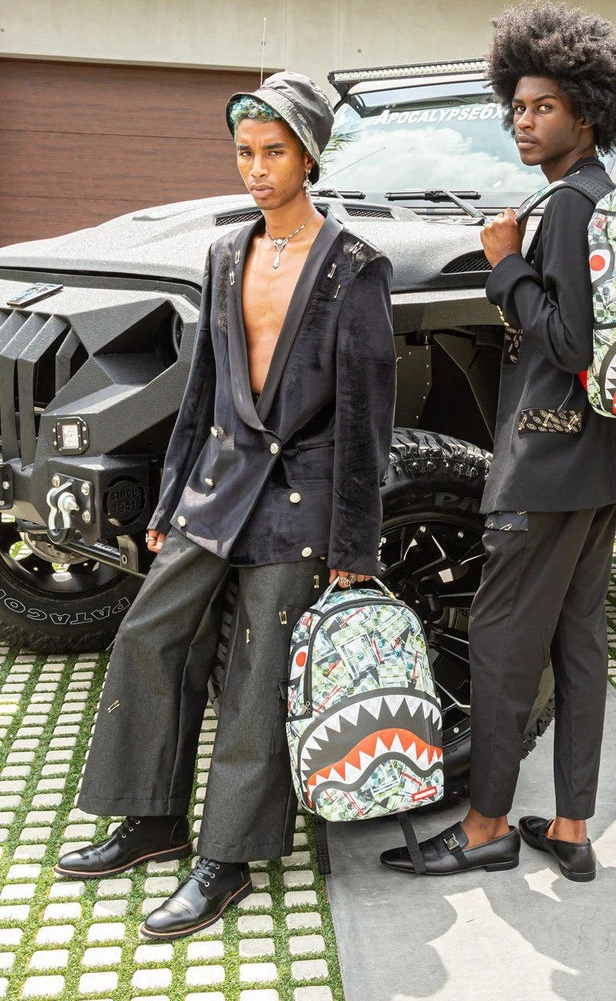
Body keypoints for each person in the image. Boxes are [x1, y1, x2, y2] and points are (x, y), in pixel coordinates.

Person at [55, 72, 397, 938]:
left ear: (309, 157)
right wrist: (169, 497)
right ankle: (152, 819)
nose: (255, 169)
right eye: (244, 152)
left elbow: (368, 418)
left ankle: (227, 860)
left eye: (273, 152)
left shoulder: (355, 267)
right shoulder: (223, 253)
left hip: (299, 499)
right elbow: (202, 390)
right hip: (214, 485)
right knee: (148, 637)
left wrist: (355, 545)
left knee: (255, 679)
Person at [381, 0, 616, 878]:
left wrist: (505, 262)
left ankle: (486, 827)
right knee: (579, 645)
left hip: (547, 461)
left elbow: (571, 344)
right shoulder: (601, 196)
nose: (525, 121)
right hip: (602, 458)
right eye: (517, 107)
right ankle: (571, 828)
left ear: (589, 114)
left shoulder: (570, 208)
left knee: (502, 645)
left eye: (544, 107)